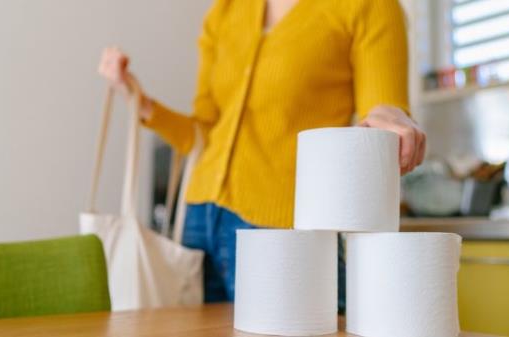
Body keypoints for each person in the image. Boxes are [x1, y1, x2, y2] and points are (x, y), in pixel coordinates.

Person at [98, 0, 426, 312]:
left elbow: (381, 108)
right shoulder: (225, 11)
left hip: (283, 228)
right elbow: (203, 133)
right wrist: (139, 101)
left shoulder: (367, 6)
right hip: (199, 222)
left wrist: (391, 118)